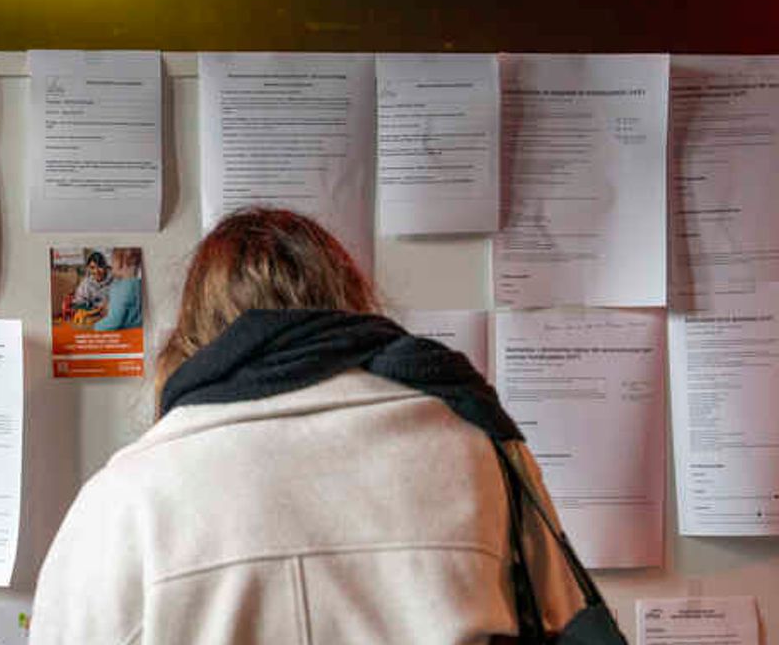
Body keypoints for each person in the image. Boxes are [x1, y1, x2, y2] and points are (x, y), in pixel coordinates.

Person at [30, 208, 586, 644]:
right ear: (349, 306)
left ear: (197, 335)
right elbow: (565, 620)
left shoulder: (126, 498)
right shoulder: (477, 446)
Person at [93, 247, 142, 332]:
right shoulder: (140, 284)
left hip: (125, 336)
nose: (110, 266)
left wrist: (95, 327)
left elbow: (114, 321)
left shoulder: (120, 288)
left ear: (120, 263)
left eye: (112, 262)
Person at [67, 250, 112, 325]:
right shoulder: (86, 283)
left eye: (100, 267)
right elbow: (79, 301)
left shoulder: (115, 281)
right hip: (93, 313)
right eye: (92, 268)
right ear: (88, 268)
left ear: (105, 267)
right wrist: (87, 309)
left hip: (111, 314)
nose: (96, 271)